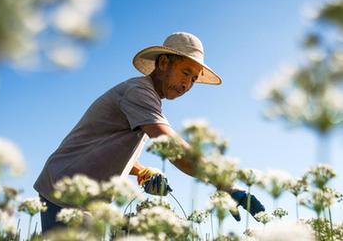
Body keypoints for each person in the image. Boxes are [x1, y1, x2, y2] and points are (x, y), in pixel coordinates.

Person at [33, 32, 264, 233]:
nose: (187, 85)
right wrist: (226, 185)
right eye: (185, 72)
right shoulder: (138, 92)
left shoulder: (146, 98)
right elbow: (172, 148)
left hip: (81, 194)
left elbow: (103, 148)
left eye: (193, 79)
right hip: (65, 190)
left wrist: (144, 171)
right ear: (163, 63)